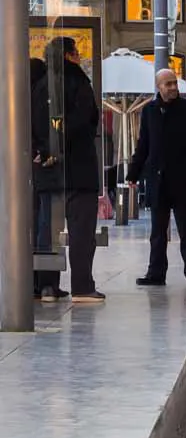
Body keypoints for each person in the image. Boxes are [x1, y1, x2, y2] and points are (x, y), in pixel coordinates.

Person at [31, 38, 105, 304]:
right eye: (76, 52)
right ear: (69, 55)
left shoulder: (39, 86)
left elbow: (34, 125)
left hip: (48, 172)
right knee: (81, 232)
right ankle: (83, 286)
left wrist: (45, 149)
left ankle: (47, 287)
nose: (79, 55)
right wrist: (60, 144)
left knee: (47, 232)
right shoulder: (79, 82)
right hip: (78, 170)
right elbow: (85, 121)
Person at [128, 69, 186, 288]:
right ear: (159, 87)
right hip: (158, 181)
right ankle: (156, 273)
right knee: (157, 232)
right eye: (168, 84)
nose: (173, 87)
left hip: (181, 179)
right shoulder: (149, 111)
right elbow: (143, 145)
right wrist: (133, 173)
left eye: (174, 83)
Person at [30, 58, 66, 302]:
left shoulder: (17, 97)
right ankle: (47, 284)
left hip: (26, 171)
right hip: (47, 169)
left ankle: (31, 282)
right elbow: (51, 132)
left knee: (32, 225)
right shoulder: (44, 96)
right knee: (48, 226)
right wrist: (46, 152)